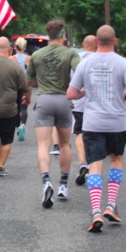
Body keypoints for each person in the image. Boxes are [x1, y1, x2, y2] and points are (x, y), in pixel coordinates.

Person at [67, 25, 126, 233]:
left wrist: (84, 93)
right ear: (115, 41)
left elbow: (71, 94)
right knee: (116, 160)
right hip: (117, 122)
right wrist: (123, 96)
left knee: (95, 165)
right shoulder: (123, 63)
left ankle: (96, 211)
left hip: (93, 122)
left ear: (96, 41)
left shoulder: (85, 63)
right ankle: (111, 205)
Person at [26, 20, 80, 208]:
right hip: (63, 99)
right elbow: (79, 73)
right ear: (63, 35)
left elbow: (29, 79)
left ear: (48, 35)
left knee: (43, 144)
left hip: (44, 99)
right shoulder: (70, 53)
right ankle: (63, 185)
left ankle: (46, 181)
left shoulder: (37, 55)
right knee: (65, 144)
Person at [0, 37, 31, 177]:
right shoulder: (15, 67)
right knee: (6, 139)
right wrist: (27, 98)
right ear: (10, 50)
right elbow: (25, 87)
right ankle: (1, 167)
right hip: (10, 109)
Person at [71, 35, 97, 186]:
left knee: (80, 133)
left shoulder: (76, 59)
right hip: (96, 104)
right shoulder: (101, 60)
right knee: (94, 135)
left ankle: (82, 162)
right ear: (96, 45)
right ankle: (93, 166)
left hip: (78, 103)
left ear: (82, 44)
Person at [9, 36, 31, 141]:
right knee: (24, 108)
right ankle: (23, 125)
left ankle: (17, 126)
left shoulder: (11, 59)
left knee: (16, 108)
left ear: (15, 47)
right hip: (25, 86)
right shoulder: (29, 59)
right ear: (25, 47)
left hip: (14, 86)